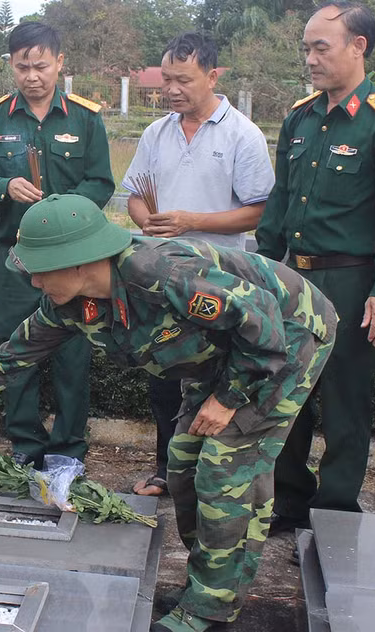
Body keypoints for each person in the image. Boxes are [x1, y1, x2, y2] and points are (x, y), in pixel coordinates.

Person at [0, 194, 336, 631]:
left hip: (287, 342)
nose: (33, 281)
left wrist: (229, 399)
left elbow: (264, 325)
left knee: (224, 471)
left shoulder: (163, 274)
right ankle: (213, 575)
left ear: (78, 261)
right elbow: (7, 363)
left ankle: (210, 607)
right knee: (182, 467)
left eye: (40, 270)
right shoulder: (70, 304)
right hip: (222, 354)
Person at [255, 1, 375, 534]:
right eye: (306, 48)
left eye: (320, 47)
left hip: (351, 282)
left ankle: (336, 514)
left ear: (358, 47)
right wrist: (261, 274)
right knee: (287, 396)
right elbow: (279, 208)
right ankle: (291, 504)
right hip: (294, 281)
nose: (310, 58)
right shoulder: (300, 118)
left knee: (346, 401)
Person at [123, 31, 274, 497]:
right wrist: (147, 220)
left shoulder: (242, 135)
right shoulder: (157, 132)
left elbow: (259, 209)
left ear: (212, 76)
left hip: (217, 280)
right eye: (166, 79)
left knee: (213, 378)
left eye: (183, 80)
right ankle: (165, 470)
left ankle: (207, 479)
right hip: (161, 275)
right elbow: (134, 194)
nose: (171, 89)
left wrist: (192, 221)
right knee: (164, 373)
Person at [0, 21, 115, 467]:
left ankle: (69, 450)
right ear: (11, 66)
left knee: (73, 351)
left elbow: (101, 183)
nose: (32, 76)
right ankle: (25, 449)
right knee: (14, 352)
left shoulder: (86, 118)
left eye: (41, 66)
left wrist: (62, 212)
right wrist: (5, 186)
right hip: (15, 259)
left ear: (60, 63)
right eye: (22, 67)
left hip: (74, 262)